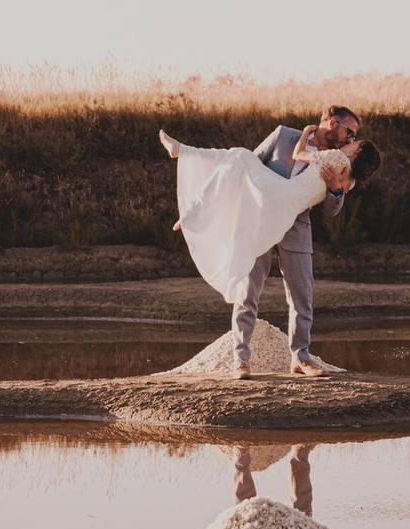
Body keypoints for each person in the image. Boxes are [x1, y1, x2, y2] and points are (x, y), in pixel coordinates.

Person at [159, 106, 380, 380]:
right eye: (350, 132)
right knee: (247, 291)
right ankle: (240, 360)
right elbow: (243, 171)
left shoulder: (338, 163)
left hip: (296, 228)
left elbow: (332, 211)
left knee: (302, 296)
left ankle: (300, 357)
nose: (350, 139)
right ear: (334, 123)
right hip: (259, 220)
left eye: (354, 138)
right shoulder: (283, 135)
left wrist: (335, 189)